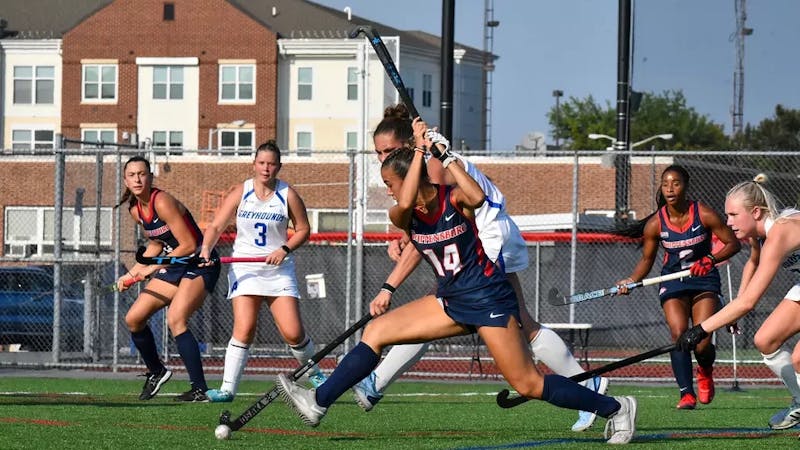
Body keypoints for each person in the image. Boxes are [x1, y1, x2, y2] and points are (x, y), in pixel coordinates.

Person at [276, 120, 638, 445]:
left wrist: (445, 155)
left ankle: (616, 408)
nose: (387, 191)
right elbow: (406, 208)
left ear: (410, 180)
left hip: (488, 298)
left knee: (528, 383)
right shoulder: (403, 215)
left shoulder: (455, 199)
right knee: (377, 331)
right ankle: (318, 403)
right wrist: (419, 149)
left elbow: (478, 196)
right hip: (450, 299)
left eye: (390, 183)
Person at [355, 104, 608, 432]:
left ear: (408, 144)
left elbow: (443, 226)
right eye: (378, 152)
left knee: (447, 309)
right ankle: (588, 386)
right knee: (515, 322)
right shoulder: (415, 172)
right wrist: (405, 238)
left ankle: (377, 381)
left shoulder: (430, 167)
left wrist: (389, 286)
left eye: (389, 150)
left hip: (488, 238)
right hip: (490, 237)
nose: (382, 158)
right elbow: (423, 231)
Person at [198, 140, 327, 403]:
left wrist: (284, 249)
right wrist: (205, 250)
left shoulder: (287, 194)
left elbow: (303, 230)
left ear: (279, 166)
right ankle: (227, 389)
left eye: (271, 164)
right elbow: (216, 225)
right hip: (245, 268)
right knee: (244, 328)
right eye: (261, 163)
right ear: (254, 164)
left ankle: (315, 375)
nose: (266, 168)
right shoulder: (240, 191)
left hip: (278, 270)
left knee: (293, 332)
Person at [613, 165, 740, 410]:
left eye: (676, 183)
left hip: (704, 279)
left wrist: (711, 259)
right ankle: (686, 393)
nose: (670, 189)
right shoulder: (655, 224)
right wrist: (631, 280)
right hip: (672, 280)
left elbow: (732, 244)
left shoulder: (703, 213)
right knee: (679, 333)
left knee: (702, 341)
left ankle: (705, 369)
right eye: (665, 184)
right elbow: (647, 261)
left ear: (686, 186)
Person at [678, 175, 800, 429]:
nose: (728, 222)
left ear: (756, 212)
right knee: (766, 340)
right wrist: (733, 310)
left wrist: (700, 329)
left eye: (733, 215)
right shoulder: (760, 234)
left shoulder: (779, 233)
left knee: (799, 359)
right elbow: (753, 263)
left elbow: (749, 302)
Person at [115, 155, 220, 402]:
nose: (137, 179)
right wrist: (130, 274)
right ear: (126, 180)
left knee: (176, 319)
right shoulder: (136, 210)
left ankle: (200, 390)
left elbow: (189, 244)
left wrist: (152, 268)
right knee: (134, 318)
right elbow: (156, 244)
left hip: (198, 262)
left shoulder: (161, 201)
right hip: (174, 264)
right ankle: (157, 372)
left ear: (151, 177)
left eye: (142, 174)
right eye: (132, 175)